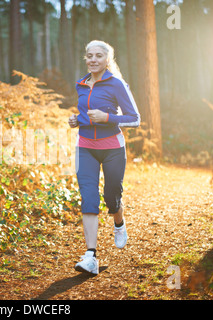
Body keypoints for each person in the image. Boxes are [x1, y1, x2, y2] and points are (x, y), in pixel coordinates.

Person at [68, 40, 140, 275]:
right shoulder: (81, 84)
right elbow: (84, 112)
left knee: (111, 195)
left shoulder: (117, 84)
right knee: (88, 196)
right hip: (85, 147)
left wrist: (106, 117)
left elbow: (134, 118)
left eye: (98, 56)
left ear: (107, 60)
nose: (93, 60)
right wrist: (76, 120)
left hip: (112, 149)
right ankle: (91, 256)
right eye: (89, 55)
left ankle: (119, 223)